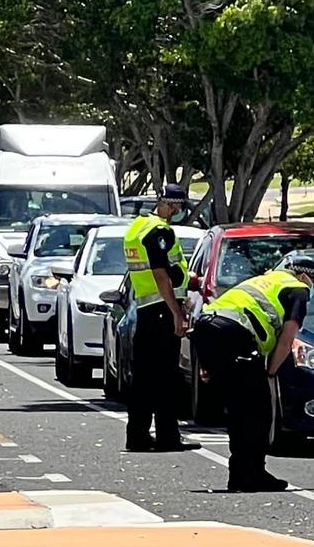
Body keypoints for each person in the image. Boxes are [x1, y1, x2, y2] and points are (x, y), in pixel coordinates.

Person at [190, 251, 314, 491]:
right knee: (257, 410)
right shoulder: (297, 289)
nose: (313, 287)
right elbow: (287, 339)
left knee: (240, 410)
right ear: (303, 275)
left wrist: (208, 363)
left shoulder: (263, 280)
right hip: (233, 336)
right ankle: (251, 474)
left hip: (207, 329)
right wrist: (269, 372)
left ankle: (241, 473)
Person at [122, 183, 199, 452]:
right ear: (171, 204)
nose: (179, 211)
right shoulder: (160, 232)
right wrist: (177, 312)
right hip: (160, 310)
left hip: (146, 309)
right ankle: (168, 436)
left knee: (143, 376)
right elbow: (160, 274)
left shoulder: (137, 227)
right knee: (166, 377)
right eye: (178, 206)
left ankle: (138, 435)